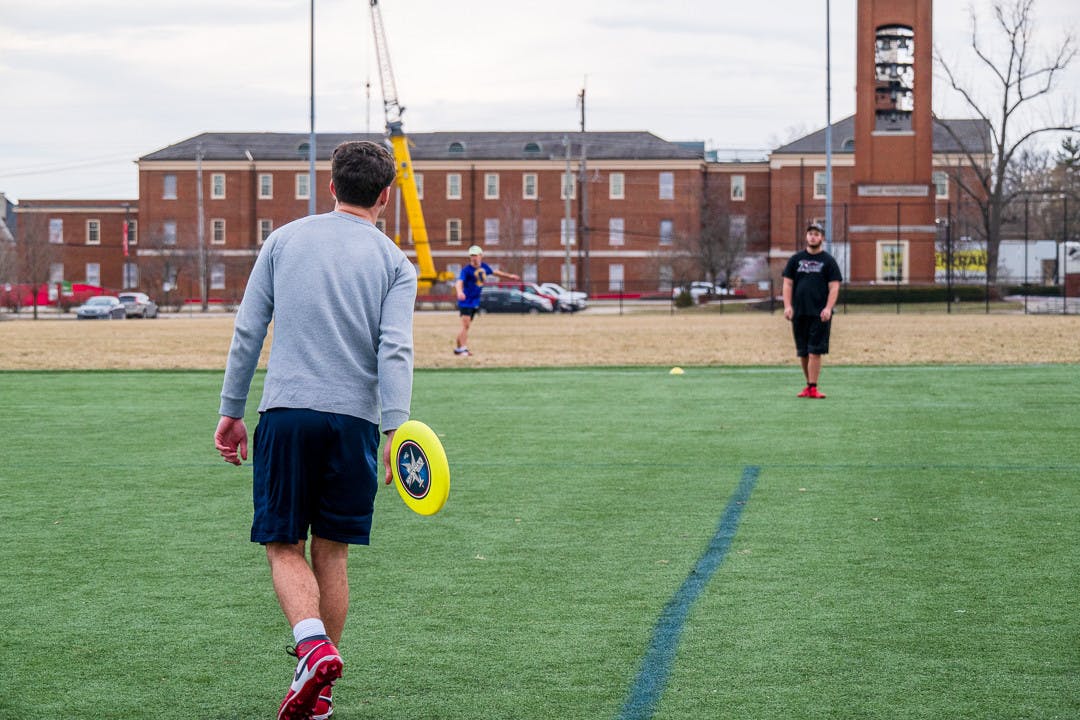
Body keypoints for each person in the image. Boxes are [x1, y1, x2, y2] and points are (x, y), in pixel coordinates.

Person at [213, 140, 416, 720]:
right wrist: (395, 431)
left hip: (287, 414)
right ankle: (319, 690)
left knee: (282, 543)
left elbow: (247, 331)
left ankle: (312, 646)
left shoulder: (282, 241)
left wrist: (231, 410)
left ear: (329, 187)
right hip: (356, 424)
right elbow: (395, 350)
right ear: (385, 195)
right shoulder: (395, 263)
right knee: (333, 552)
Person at [782, 222, 842, 399]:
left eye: (816, 234)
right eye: (810, 234)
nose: (813, 237)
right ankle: (809, 386)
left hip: (819, 314)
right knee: (803, 351)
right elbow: (788, 283)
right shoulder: (795, 260)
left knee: (815, 351)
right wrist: (787, 306)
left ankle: (813, 387)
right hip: (799, 312)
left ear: (822, 237)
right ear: (806, 237)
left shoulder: (828, 261)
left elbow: (834, 287)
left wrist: (828, 308)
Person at [453, 244, 519, 356]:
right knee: (466, 326)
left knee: (466, 326)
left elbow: (495, 272)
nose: (474, 258)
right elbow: (459, 282)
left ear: (481, 256)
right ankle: (463, 348)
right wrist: (459, 292)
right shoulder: (467, 270)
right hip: (466, 301)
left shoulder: (484, 267)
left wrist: (510, 276)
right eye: (472, 256)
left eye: (476, 255)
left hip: (475, 301)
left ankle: (459, 349)